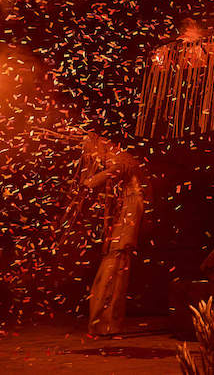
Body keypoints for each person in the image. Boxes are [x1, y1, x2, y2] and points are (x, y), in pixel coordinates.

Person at [80, 132, 144, 336]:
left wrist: (89, 182)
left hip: (130, 214)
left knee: (115, 267)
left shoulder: (121, 158)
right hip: (124, 214)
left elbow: (112, 172)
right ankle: (104, 322)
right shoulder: (118, 158)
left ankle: (107, 323)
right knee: (112, 267)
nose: (92, 157)